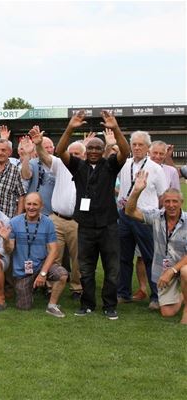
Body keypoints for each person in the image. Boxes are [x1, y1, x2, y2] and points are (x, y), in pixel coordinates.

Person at [56, 110, 130, 320]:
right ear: (86, 150)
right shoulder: (78, 166)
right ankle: (87, 303)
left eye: (99, 147)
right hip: (86, 226)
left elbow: (125, 151)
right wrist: (70, 128)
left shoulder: (111, 165)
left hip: (108, 225)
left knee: (111, 268)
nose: (95, 151)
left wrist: (115, 128)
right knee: (86, 268)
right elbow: (60, 150)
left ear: (104, 149)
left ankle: (109, 305)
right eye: (91, 148)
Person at [29, 128, 85, 299]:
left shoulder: (87, 168)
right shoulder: (61, 164)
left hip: (77, 220)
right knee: (54, 255)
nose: (73, 156)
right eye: (71, 152)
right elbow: (44, 157)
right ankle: (51, 286)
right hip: (56, 218)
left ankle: (77, 288)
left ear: (83, 155)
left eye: (77, 153)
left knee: (77, 258)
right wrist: (38, 145)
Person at [125, 171, 187, 324]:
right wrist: (137, 190)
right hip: (164, 268)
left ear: (181, 202)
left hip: (182, 266)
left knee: (185, 271)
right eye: (167, 202)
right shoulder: (156, 217)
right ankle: (182, 296)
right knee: (167, 313)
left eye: (175, 201)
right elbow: (129, 211)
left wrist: (173, 271)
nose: (171, 205)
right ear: (162, 203)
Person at [116, 131, 166, 309]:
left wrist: (157, 218)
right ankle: (123, 293)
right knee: (124, 256)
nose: (137, 147)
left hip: (144, 217)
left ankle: (156, 296)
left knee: (150, 257)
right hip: (124, 215)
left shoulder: (155, 168)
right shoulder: (124, 163)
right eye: (134, 144)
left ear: (147, 147)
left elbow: (163, 196)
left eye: (141, 145)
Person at [1, 193, 68, 317]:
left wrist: (43, 274)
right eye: (29, 204)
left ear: (41, 206)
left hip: (41, 265)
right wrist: (5, 240)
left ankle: (52, 305)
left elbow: (54, 251)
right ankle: (31, 288)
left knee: (62, 275)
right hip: (22, 270)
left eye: (35, 204)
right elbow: (9, 250)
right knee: (24, 307)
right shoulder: (14, 222)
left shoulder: (48, 222)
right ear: (24, 205)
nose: (31, 207)